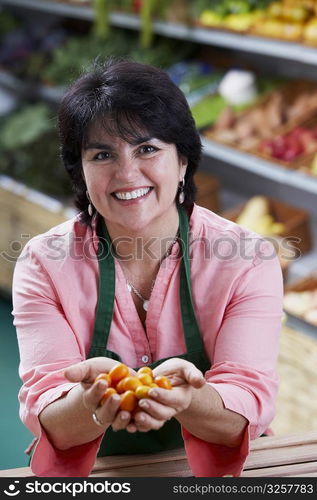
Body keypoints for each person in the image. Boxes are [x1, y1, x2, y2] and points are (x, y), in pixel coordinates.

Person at [12, 58, 283, 477]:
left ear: (183, 162)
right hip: (98, 471)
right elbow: (47, 413)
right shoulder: (43, 263)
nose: (126, 172)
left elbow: (249, 402)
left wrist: (189, 400)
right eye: (102, 154)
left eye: (147, 149)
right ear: (80, 173)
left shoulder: (247, 259)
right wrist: (91, 401)